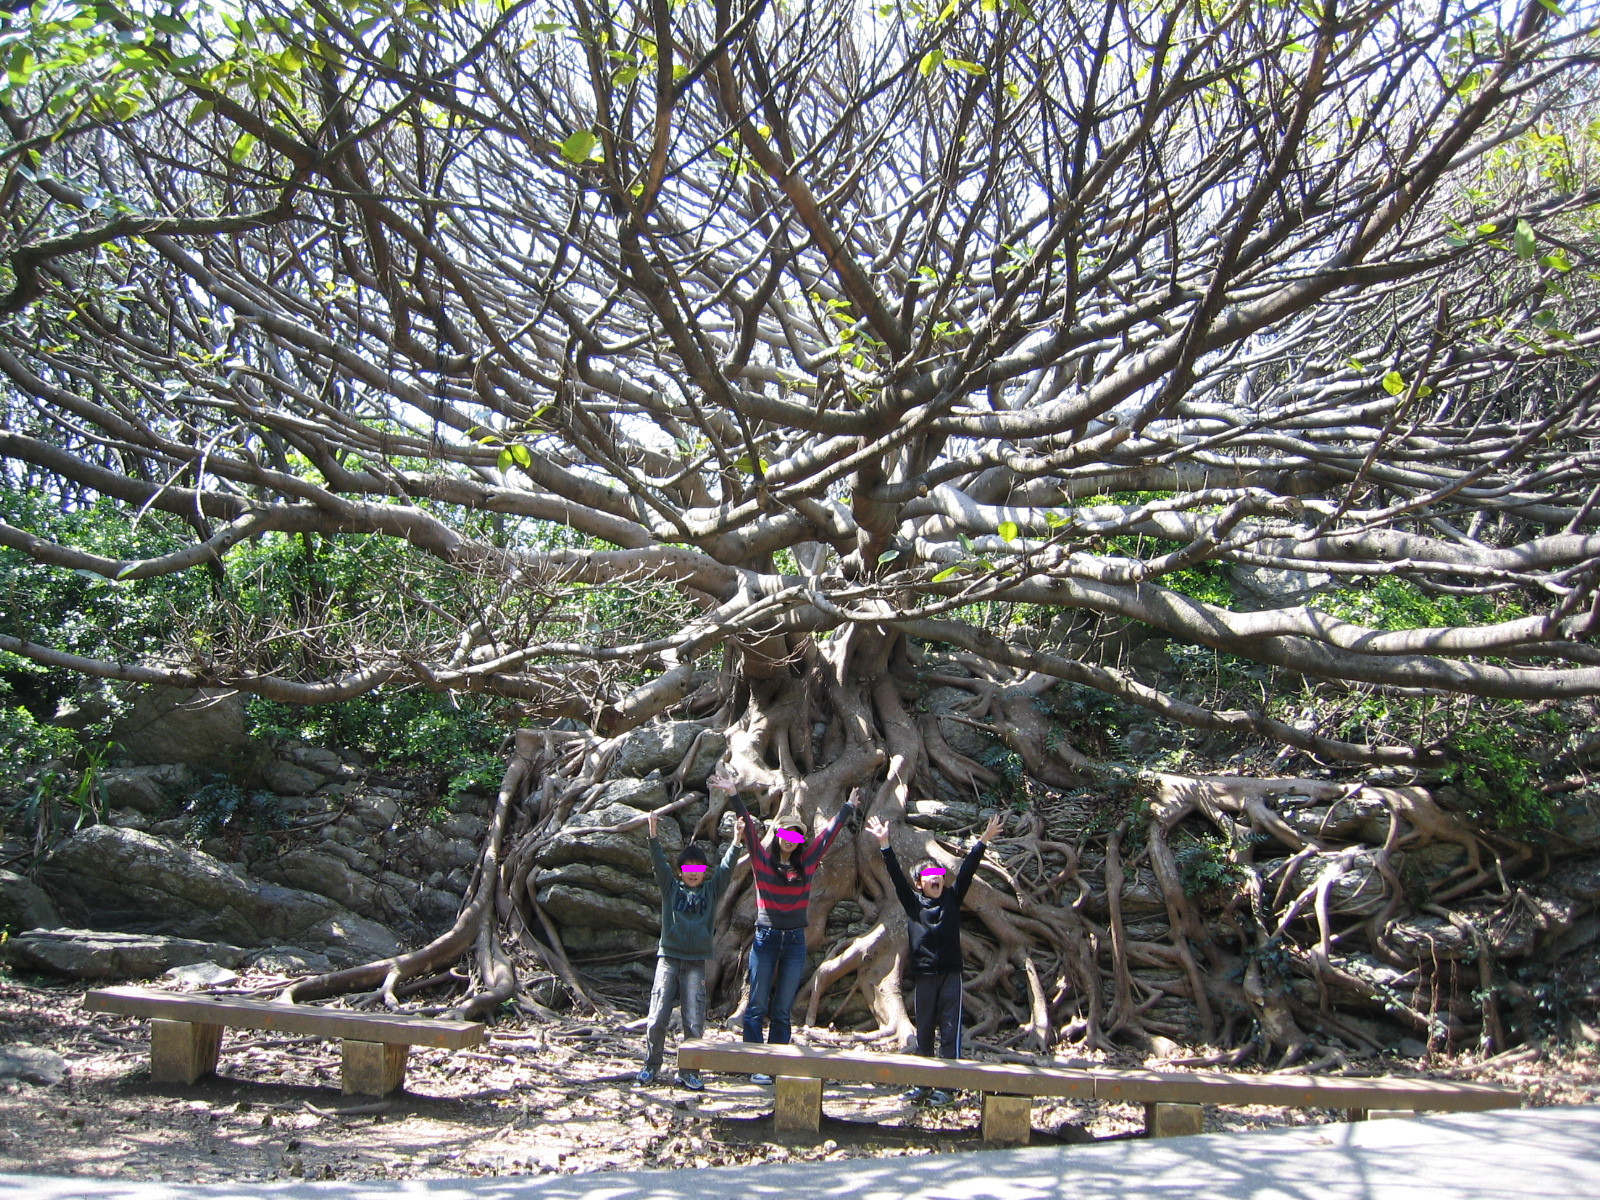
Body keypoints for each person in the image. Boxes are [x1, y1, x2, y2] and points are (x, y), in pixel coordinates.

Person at [708, 771, 858, 1084]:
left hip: (794, 942)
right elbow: (750, 831)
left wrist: (847, 808)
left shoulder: (807, 863)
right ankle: (755, 1063)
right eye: (786, 834)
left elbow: (828, 836)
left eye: (796, 836)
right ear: (778, 836)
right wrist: (734, 793)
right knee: (756, 1003)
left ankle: (776, 1063)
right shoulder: (763, 862)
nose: (790, 840)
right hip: (765, 939)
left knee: (782, 1007)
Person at [866, 809, 1004, 1106]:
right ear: (920, 883)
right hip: (924, 975)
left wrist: (983, 840)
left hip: (951, 974)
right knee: (925, 1030)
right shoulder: (913, 904)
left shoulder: (952, 898)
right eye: (929, 877)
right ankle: (923, 1084)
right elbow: (896, 877)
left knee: (951, 1029)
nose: (936, 879)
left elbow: (967, 870)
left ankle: (948, 1087)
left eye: (939, 875)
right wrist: (885, 844)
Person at [637, 806, 741, 1090]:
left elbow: (726, 870)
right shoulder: (671, 889)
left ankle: (689, 1071)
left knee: (694, 1019)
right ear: (681, 871)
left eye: (698, 869)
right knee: (657, 1016)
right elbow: (659, 863)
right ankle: (651, 1065)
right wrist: (652, 834)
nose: (693, 874)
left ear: (704, 872)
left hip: (696, 962)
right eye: (688, 869)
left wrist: (736, 841)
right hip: (669, 959)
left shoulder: (711, 891)